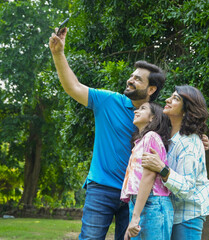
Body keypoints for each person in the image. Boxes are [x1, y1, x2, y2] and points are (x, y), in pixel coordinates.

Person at [49, 27, 166, 240]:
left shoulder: (156, 118)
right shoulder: (108, 100)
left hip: (135, 195)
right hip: (101, 189)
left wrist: (201, 139)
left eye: (138, 79)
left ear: (151, 89)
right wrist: (58, 54)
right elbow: (73, 86)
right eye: (132, 76)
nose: (130, 80)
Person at [141, 85, 209, 240]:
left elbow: (187, 188)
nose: (167, 100)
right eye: (171, 96)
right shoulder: (167, 135)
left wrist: (162, 169)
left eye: (175, 98)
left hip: (188, 214)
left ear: (186, 110)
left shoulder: (189, 143)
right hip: (172, 210)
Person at [121, 102, 173, 240]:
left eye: (142, 109)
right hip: (141, 203)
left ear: (152, 118)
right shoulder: (140, 142)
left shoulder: (151, 137)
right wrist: (133, 217)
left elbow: (148, 176)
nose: (136, 111)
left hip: (153, 204)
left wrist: (135, 218)